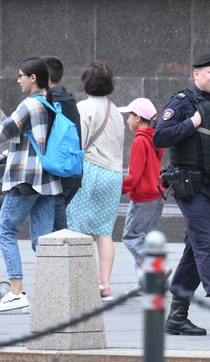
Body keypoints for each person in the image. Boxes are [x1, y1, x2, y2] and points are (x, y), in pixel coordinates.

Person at [153, 54, 210, 336]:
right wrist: (190, 123)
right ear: (196, 74)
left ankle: (177, 316)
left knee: (196, 249)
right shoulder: (183, 102)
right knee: (206, 245)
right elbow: (160, 137)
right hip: (190, 187)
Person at [0, 57, 63, 312]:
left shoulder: (29, 104)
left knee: (5, 230)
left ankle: (16, 291)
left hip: (26, 178)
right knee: (42, 240)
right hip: (46, 180)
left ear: (33, 78)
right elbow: (20, 132)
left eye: (21, 76)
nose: (18, 80)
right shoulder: (47, 103)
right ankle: (57, 292)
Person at [66, 62, 124, 301]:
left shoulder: (82, 108)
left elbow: (79, 143)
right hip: (114, 174)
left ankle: (82, 282)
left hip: (89, 170)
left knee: (77, 228)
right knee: (104, 231)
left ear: (86, 83)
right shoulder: (116, 111)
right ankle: (104, 284)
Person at [118, 98, 166, 293]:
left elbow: (134, 175)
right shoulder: (155, 137)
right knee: (144, 238)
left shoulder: (139, 140)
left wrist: (120, 189)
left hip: (142, 196)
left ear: (138, 118)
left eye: (129, 116)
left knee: (131, 237)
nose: (127, 120)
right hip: (157, 194)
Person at [41, 55, 82, 232]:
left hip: (56, 173)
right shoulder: (69, 99)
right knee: (55, 228)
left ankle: (62, 259)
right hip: (72, 171)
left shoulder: (50, 100)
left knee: (56, 232)